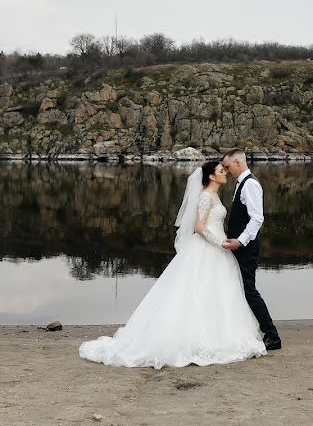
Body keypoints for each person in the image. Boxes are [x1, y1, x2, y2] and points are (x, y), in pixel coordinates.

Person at [78, 160, 266, 368]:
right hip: (209, 247)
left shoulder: (213, 195)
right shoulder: (205, 196)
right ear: (212, 176)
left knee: (216, 293)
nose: (225, 173)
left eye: (225, 170)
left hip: (218, 250)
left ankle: (216, 334)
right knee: (196, 292)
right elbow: (200, 227)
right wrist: (220, 242)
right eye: (221, 171)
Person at [221, 149, 282, 350]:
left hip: (246, 248)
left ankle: (272, 335)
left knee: (249, 291)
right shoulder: (242, 184)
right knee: (242, 289)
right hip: (239, 246)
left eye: (228, 166)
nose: (227, 171)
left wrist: (240, 241)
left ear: (238, 162)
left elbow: (257, 218)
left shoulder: (251, 185)